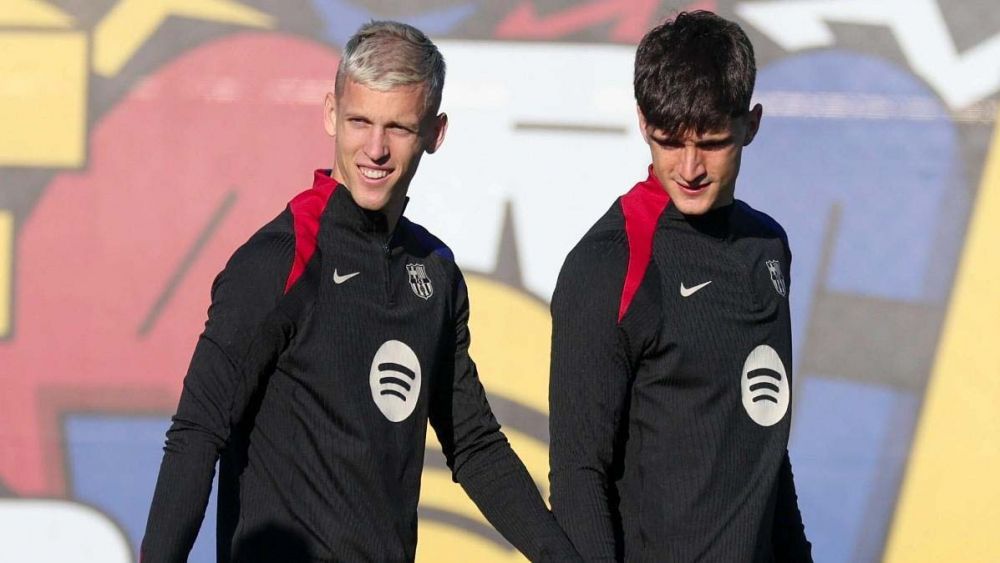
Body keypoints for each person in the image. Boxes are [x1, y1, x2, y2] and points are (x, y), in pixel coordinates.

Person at [142, 20, 579, 563]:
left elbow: (475, 447)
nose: (375, 148)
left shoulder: (435, 272)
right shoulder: (280, 260)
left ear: (435, 134)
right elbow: (197, 432)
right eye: (359, 121)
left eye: (398, 127)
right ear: (330, 114)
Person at [548, 11, 812, 562]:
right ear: (644, 123)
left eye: (712, 142)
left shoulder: (768, 247)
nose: (689, 167)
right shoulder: (608, 265)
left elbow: (762, 442)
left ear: (751, 124)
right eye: (670, 141)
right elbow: (577, 474)